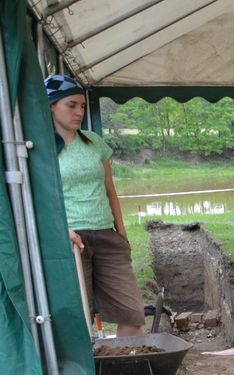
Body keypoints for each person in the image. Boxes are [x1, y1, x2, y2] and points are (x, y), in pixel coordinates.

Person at [46, 74, 142, 337]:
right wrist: (61, 230)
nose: (79, 112)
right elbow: (38, 200)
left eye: (82, 106)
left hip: (106, 236)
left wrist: (121, 233)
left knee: (132, 314)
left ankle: (126, 362)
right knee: (79, 319)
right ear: (51, 106)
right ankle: (88, 364)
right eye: (71, 105)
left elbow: (111, 191)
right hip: (70, 240)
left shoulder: (93, 141)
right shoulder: (40, 148)